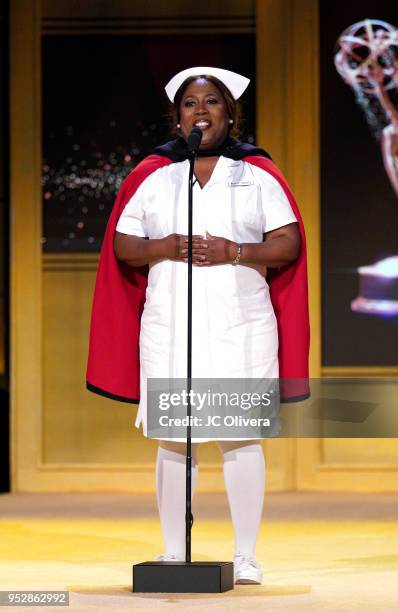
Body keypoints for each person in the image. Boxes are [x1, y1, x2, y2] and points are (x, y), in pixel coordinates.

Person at [86, 67, 310, 585]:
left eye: (212, 102)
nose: (201, 111)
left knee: (239, 437)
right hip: (170, 328)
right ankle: (171, 551)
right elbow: (123, 244)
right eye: (191, 103)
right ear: (177, 115)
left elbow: (288, 243)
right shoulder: (155, 174)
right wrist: (164, 246)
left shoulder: (256, 174)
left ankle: (246, 555)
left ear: (231, 113)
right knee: (174, 438)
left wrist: (237, 251)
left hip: (241, 325)